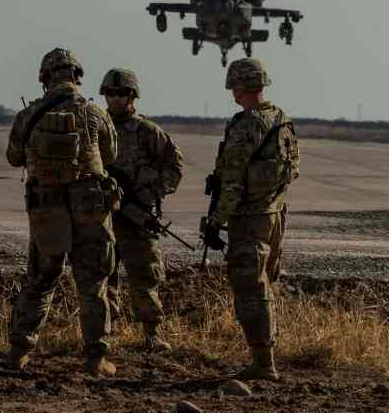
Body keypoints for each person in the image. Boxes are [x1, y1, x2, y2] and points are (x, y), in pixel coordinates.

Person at [5, 48, 119, 376]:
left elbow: (14, 157)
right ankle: (96, 358)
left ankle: (19, 352)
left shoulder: (28, 115)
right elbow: (111, 154)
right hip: (90, 204)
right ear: (77, 76)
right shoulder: (95, 112)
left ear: (44, 77)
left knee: (41, 277)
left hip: (47, 204)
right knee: (93, 281)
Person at [202, 58, 300, 381]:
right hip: (274, 214)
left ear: (240, 86)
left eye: (234, 87)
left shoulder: (246, 125)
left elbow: (232, 181)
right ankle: (265, 356)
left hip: (250, 219)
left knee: (250, 288)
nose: (233, 93)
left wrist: (216, 220)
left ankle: (263, 363)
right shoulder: (281, 119)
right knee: (265, 283)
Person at [100, 67, 184, 353]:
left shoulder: (148, 131)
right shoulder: (96, 128)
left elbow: (174, 168)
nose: (115, 98)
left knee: (145, 275)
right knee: (102, 275)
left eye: (122, 93)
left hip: (137, 217)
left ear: (133, 96)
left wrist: (148, 195)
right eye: (110, 93)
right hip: (102, 215)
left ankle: (151, 333)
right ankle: (104, 335)